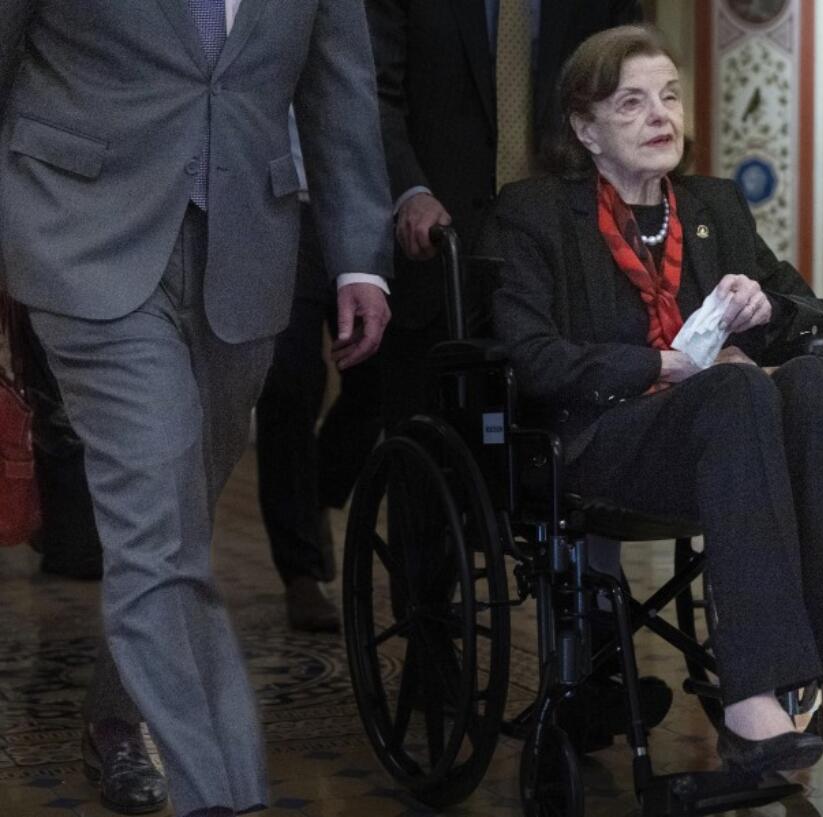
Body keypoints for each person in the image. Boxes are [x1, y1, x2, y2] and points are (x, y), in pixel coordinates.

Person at [487, 25, 823, 776]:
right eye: (631, 103)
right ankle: (751, 700)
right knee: (734, 388)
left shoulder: (713, 206)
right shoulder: (535, 213)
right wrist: (662, 364)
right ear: (584, 128)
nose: (660, 115)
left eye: (668, 96)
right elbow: (530, 358)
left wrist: (770, 310)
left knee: (811, 379)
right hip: (603, 442)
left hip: (727, 445)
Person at [0, 2, 393, 816]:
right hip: (83, 234)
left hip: (246, 249)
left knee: (176, 518)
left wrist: (361, 258)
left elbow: (339, 90)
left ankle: (117, 710)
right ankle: (220, 794)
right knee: (158, 515)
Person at [365, 0, 666, 752]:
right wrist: (408, 191)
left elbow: (625, 73)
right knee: (428, 473)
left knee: (583, 450)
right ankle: (433, 658)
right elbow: (375, 95)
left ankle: (597, 659)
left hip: (572, 253)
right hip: (443, 252)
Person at [255, 119, 384, 634]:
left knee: (375, 379)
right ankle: (301, 572)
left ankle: (314, 496)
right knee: (289, 387)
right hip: (275, 210)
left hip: (356, 208)